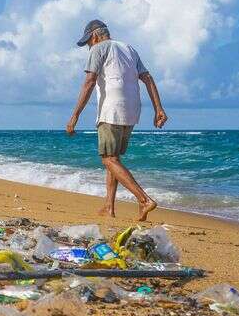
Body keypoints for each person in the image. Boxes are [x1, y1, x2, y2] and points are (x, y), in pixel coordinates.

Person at [66, 20, 167, 221]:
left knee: (108, 159)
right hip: (131, 110)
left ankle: (144, 200)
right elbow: (147, 77)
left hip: (111, 109)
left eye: (88, 42)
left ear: (94, 36)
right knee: (114, 159)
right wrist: (158, 108)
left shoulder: (98, 49)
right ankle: (109, 207)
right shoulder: (129, 48)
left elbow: (89, 82)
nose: (88, 46)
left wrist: (75, 115)